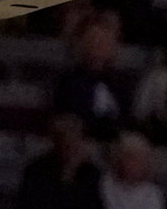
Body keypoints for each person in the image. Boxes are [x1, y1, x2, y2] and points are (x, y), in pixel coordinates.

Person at [53, 8, 136, 140]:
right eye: (93, 39)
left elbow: (129, 119)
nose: (99, 45)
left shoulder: (123, 83)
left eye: (105, 40)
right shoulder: (68, 82)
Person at [101, 132, 167, 209]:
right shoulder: (106, 187)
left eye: (140, 160)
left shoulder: (153, 192)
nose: (135, 165)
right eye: (130, 158)